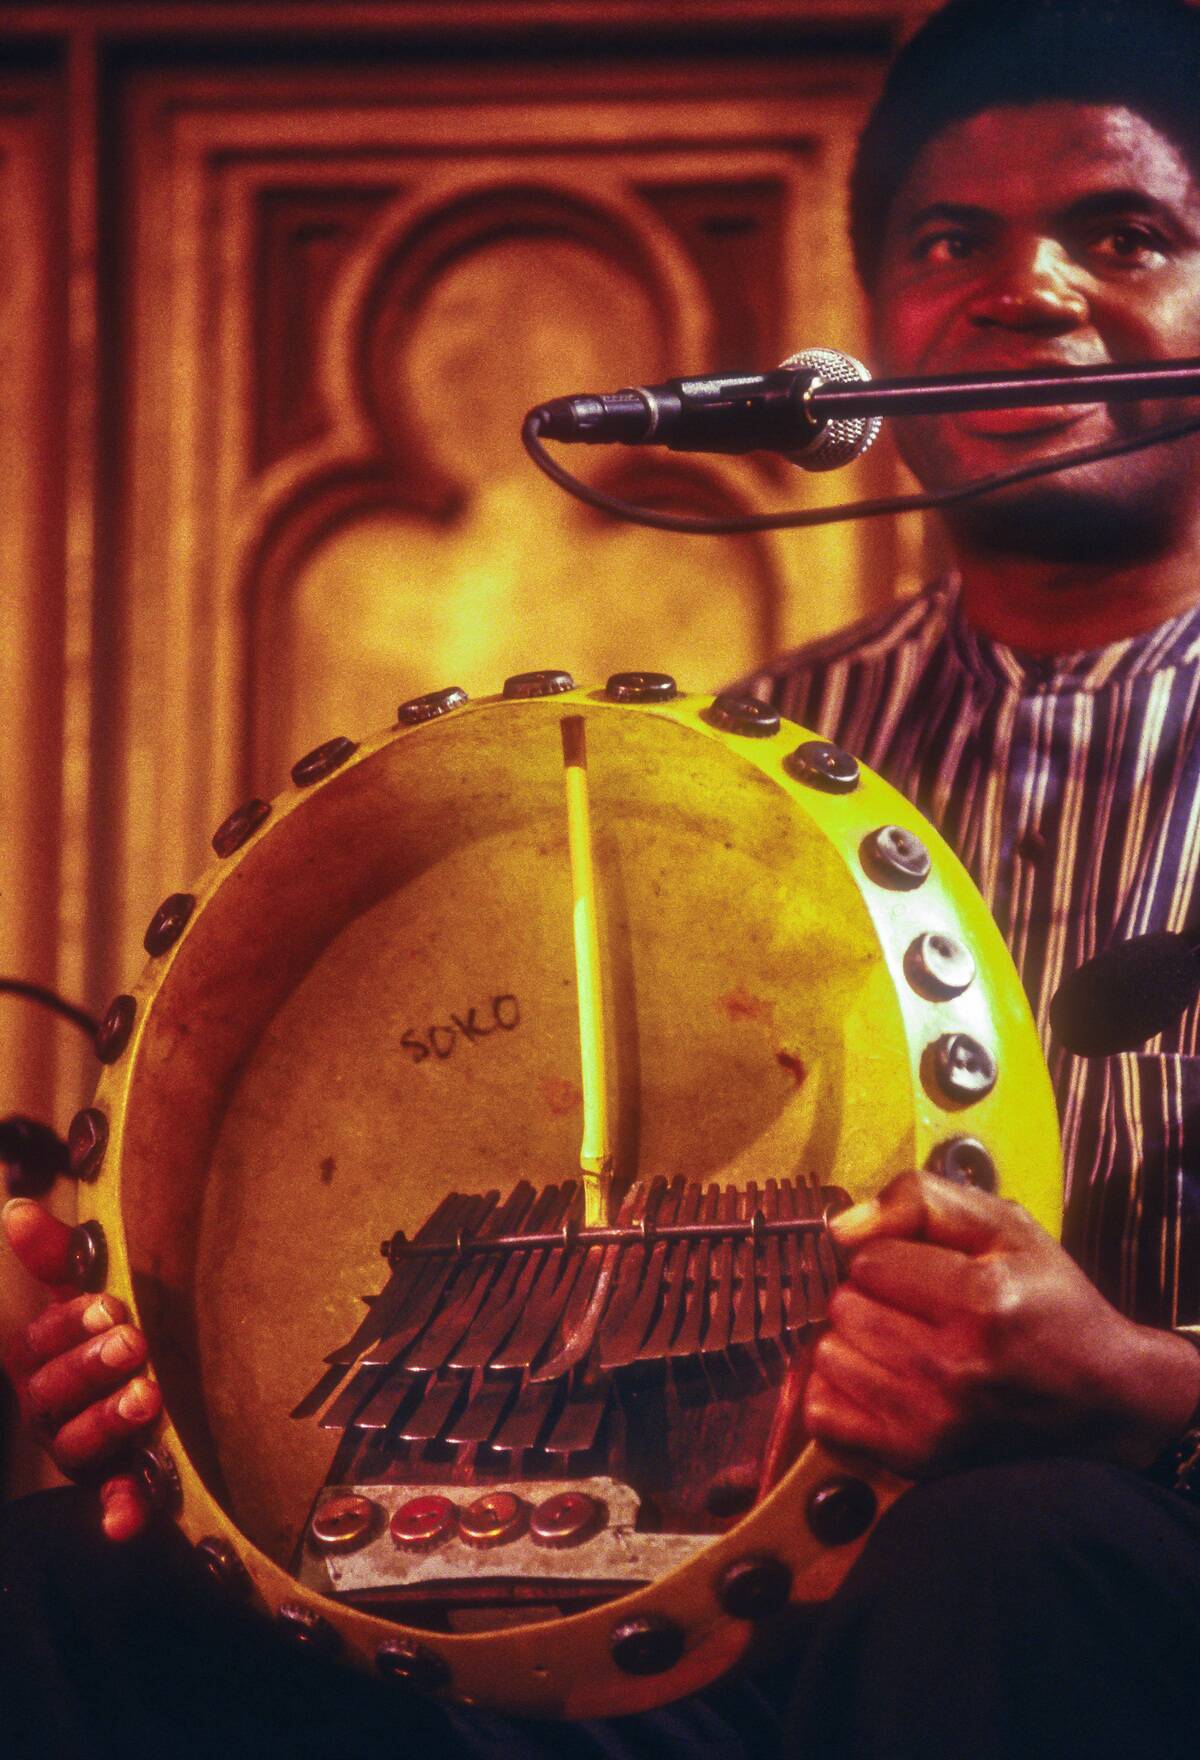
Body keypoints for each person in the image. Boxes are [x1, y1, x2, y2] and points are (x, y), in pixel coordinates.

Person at [6, 2, 1200, 1755]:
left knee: (1002, 1550)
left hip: (1111, 1574)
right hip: (726, 1622)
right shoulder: (755, 765)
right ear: (873, 333)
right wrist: (196, 1397)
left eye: (1126, 232)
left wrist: (1133, 1394)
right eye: (954, 242)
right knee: (76, 1591)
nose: (1027, 290)